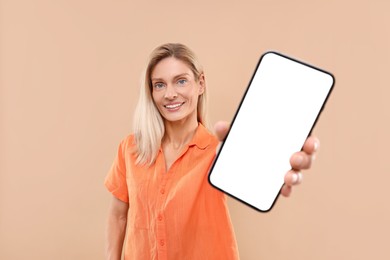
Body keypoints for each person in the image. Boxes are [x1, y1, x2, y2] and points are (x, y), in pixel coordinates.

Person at [104, 43, 319, 260]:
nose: (170, 94)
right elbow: (118, 216)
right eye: (159, 85)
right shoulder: (130, 149)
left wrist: (277, 166)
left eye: (181, 81)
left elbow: (257, 172)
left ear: (201, 84)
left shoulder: (219, 151)